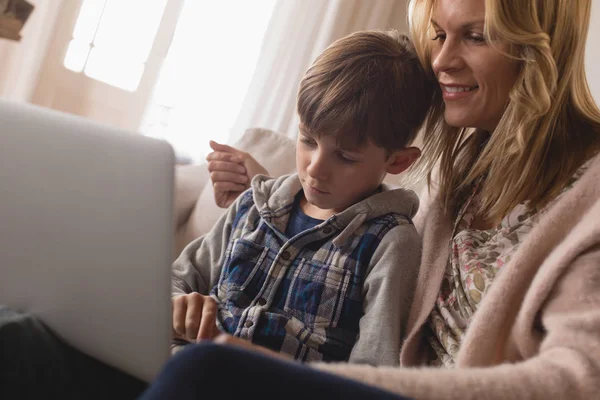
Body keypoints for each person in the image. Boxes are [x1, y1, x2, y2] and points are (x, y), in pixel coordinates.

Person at [142, 0, 600, 398]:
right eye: (439, 34)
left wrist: (296, 381)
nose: (440, 60)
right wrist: (274, 198)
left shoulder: (588, 195)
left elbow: (581, 380)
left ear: (543, 46)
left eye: (475, 37)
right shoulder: (467, 172)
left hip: (368, 391)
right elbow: (341, 224)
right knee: (74, 355)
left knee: (198, 371)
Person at [170, 29, 432, 365]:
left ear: (397, 161)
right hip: (180, 366)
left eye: (346, 157)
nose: (315, 169)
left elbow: (372, 370)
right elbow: (177, 278)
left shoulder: (389, 243)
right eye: (307, 140)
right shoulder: (254, 205)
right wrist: (179, 306)